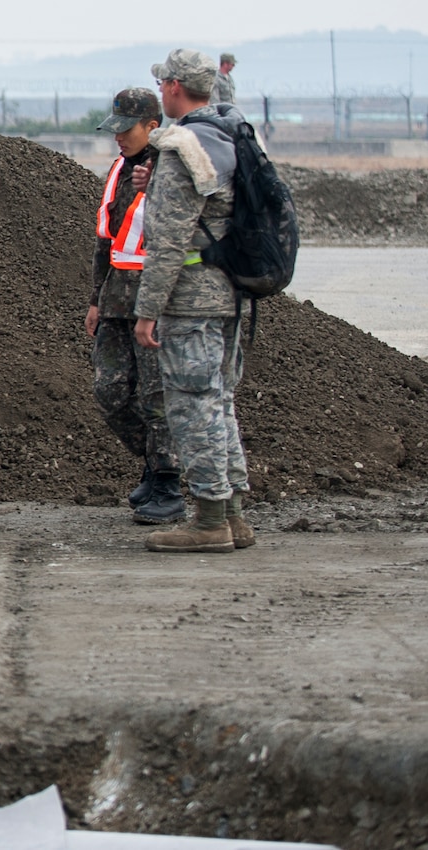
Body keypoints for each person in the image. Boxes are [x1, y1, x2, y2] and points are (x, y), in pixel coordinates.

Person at [134, 49, 255, 554]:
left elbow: (168, 240)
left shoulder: (181, 144)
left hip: (191, 299)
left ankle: (208, 519)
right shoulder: (231, 135)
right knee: (220, 402)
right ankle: (233, 514)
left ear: (176, 87)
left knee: (192, 407)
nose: (161, 91)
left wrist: (146, 310)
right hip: (230, 292)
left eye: (164, 83)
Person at [85, 88, 183, 525]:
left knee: (157, 395)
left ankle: (168, 482)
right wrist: (95, 300)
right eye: (116, 130)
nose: (119, 138)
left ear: (152, 127)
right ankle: (153, 462)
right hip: (115, 301)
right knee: (110, 393)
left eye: (127, 130)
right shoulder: (119, 171)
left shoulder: (170, 174)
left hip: (155, 300)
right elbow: (106, 243)